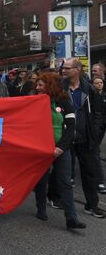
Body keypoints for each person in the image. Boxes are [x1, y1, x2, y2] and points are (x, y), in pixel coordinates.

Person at [33, 72, 86, 230]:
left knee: (65, 182)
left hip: (61, 149)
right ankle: (41, 209)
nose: (37, 87)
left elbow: (71, 127)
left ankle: (71, 218)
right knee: (41, 180)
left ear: (50, 85)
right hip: (41, 149)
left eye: (41, 85)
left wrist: (61, 147)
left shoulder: (64, 101)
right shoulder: (35, 101)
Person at [59, 58, 105, 218]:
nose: (64, 70)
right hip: (65, 137)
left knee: (89, 172)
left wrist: (96, 132)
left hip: (85, 138)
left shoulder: (89, 89)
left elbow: (98, 113)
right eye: (64, 68)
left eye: (68, 68)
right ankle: (54, 197)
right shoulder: (60, 87)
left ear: (78, 69)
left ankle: (92, 205)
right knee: (62, 172)